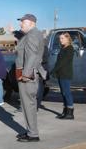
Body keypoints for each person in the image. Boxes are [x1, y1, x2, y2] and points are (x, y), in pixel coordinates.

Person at [15, 14, 46, 142]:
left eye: (23, 22)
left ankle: (33, 134)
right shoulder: (31, 34)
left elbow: (32, 55)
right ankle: (30, 131)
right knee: (27, 104)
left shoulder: (33, 34)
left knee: (28, 104)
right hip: (25, 73)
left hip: (27, 74)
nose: (20, 24)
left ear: (32, 23)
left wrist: (26, 74)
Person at [51, 32, 75, 120]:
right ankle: (65, 111)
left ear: (68, 39)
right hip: (61, 74)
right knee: (63, 93)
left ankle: (70, 113)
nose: (61, 40)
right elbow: (59, 61)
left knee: (66, 93)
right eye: (60, 38)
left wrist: (53, 70)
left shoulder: (69, 49)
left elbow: (62, 62)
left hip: (66, 74)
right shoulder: (63, 48)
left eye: (62, 38)